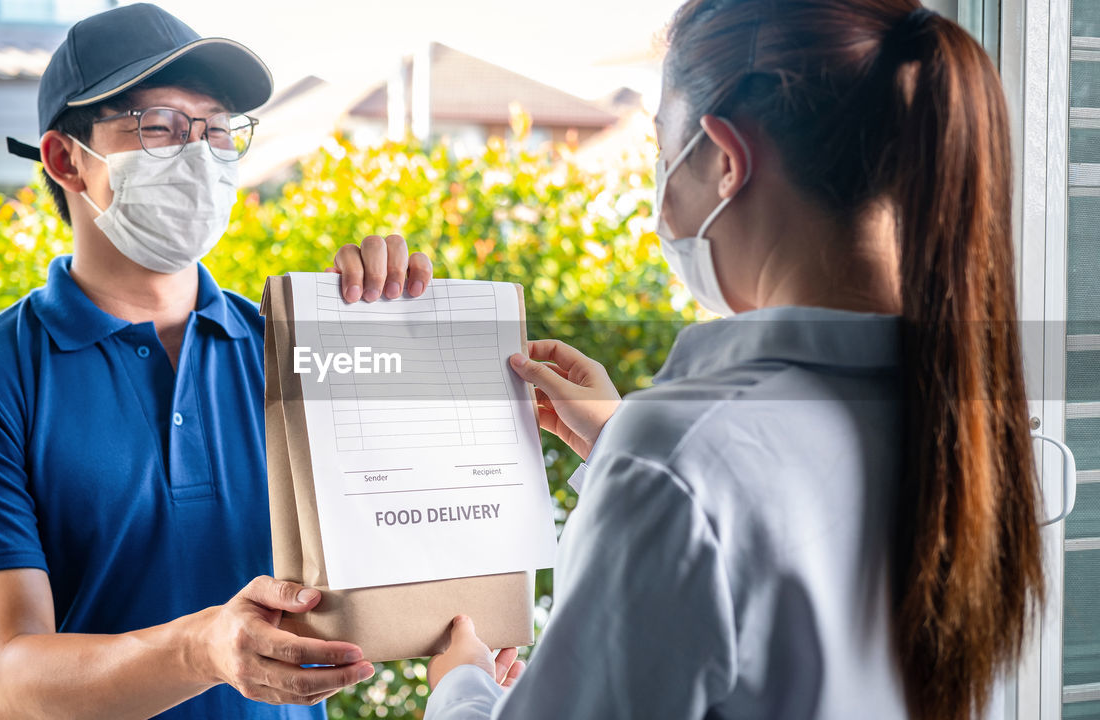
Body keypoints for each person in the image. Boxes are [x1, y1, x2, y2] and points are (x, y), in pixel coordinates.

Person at [424, 1, 1044, 719]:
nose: (660, 195)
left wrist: (460, 686)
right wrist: (626, 443)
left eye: (662, 155)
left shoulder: (678, 463)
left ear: (724, 159)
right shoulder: (975, 422)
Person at [0, 4, 434, 718]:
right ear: (65, 160)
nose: (198, 153)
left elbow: (413, 552)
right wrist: (198, 651)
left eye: (215, 128)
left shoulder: (300, 352)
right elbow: (10, 679)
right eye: (160, 126)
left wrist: (410, 337)